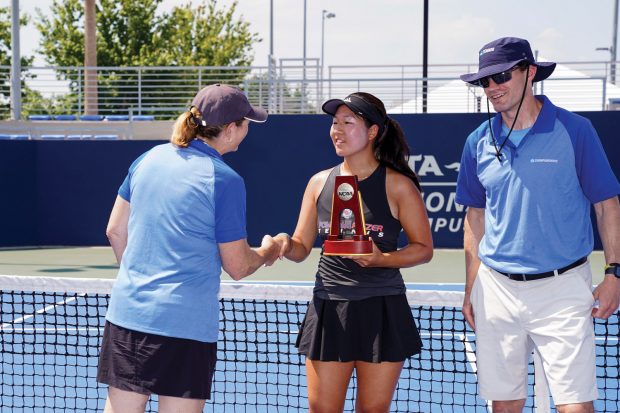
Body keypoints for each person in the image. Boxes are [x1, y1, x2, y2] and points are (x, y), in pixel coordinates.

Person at [97, 84, 285, 413]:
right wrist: (271, 249)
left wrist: (142, 281)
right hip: (185, 326)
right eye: (245, 124)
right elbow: (238, 266)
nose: (246, 131)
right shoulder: (225, 180)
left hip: (128, 315)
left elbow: (115, 230)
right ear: (230, 130)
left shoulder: (148, 158)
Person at [456, 37, 620, 413]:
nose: (492, 88)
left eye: (501, 76)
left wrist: (614, 274)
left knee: (576, 406)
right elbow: (475, 217)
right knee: (504, 404)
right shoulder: (476, 142)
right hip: (496, 289)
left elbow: (607, 205)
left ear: (530, 72)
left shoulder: (576, 131)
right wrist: (472, 289)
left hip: (563, 290)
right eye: (485, 81)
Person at [273, 92, 433, 412]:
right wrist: (282, 245)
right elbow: (301, 246)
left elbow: (423, 249)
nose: (338, 130)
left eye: (349, 122)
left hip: (382, 308)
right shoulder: (319, 182)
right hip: (329, 307)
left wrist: (381, 259)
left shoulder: (399, 186)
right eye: (335, 122)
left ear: (373, 131)